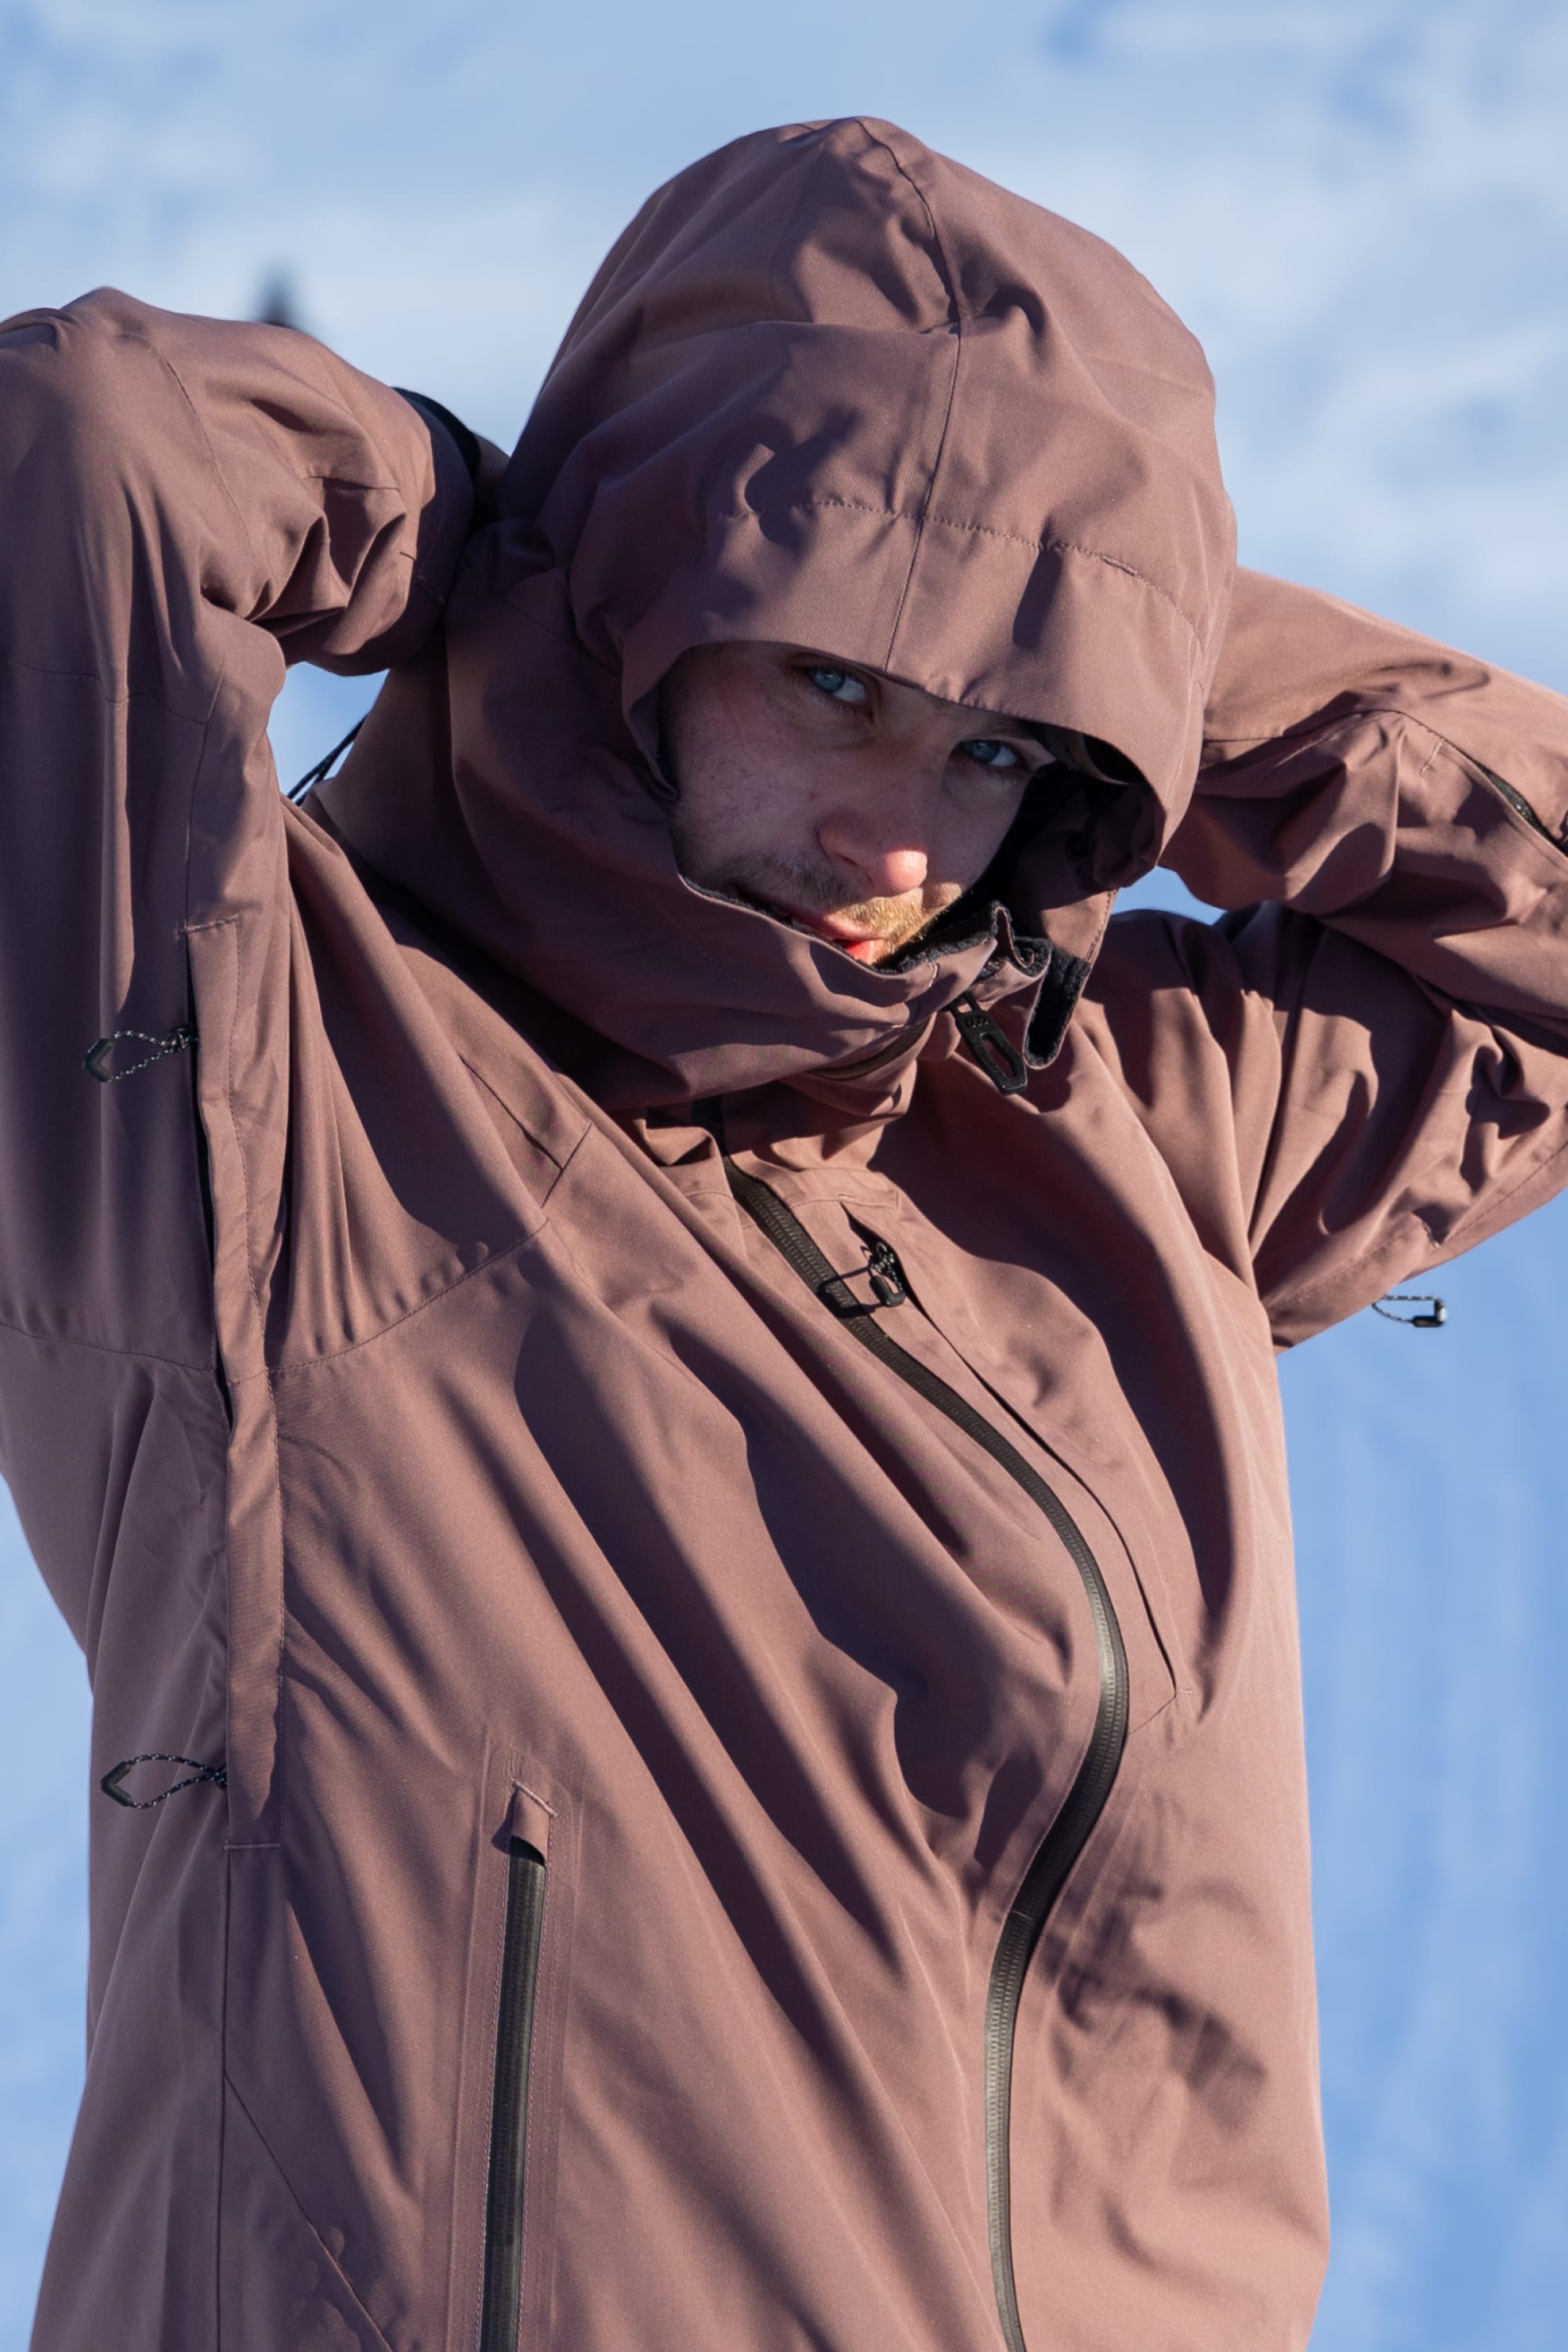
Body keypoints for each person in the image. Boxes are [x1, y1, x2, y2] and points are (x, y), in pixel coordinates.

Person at [2, 113, 1564, 2352]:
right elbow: (75, 460)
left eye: (997, 751)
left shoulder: (1105, 1129)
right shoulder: (267, 1092)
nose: (899, 842)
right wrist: (520, 541)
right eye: (837, 684)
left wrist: (1122, 624)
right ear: (643, 600)